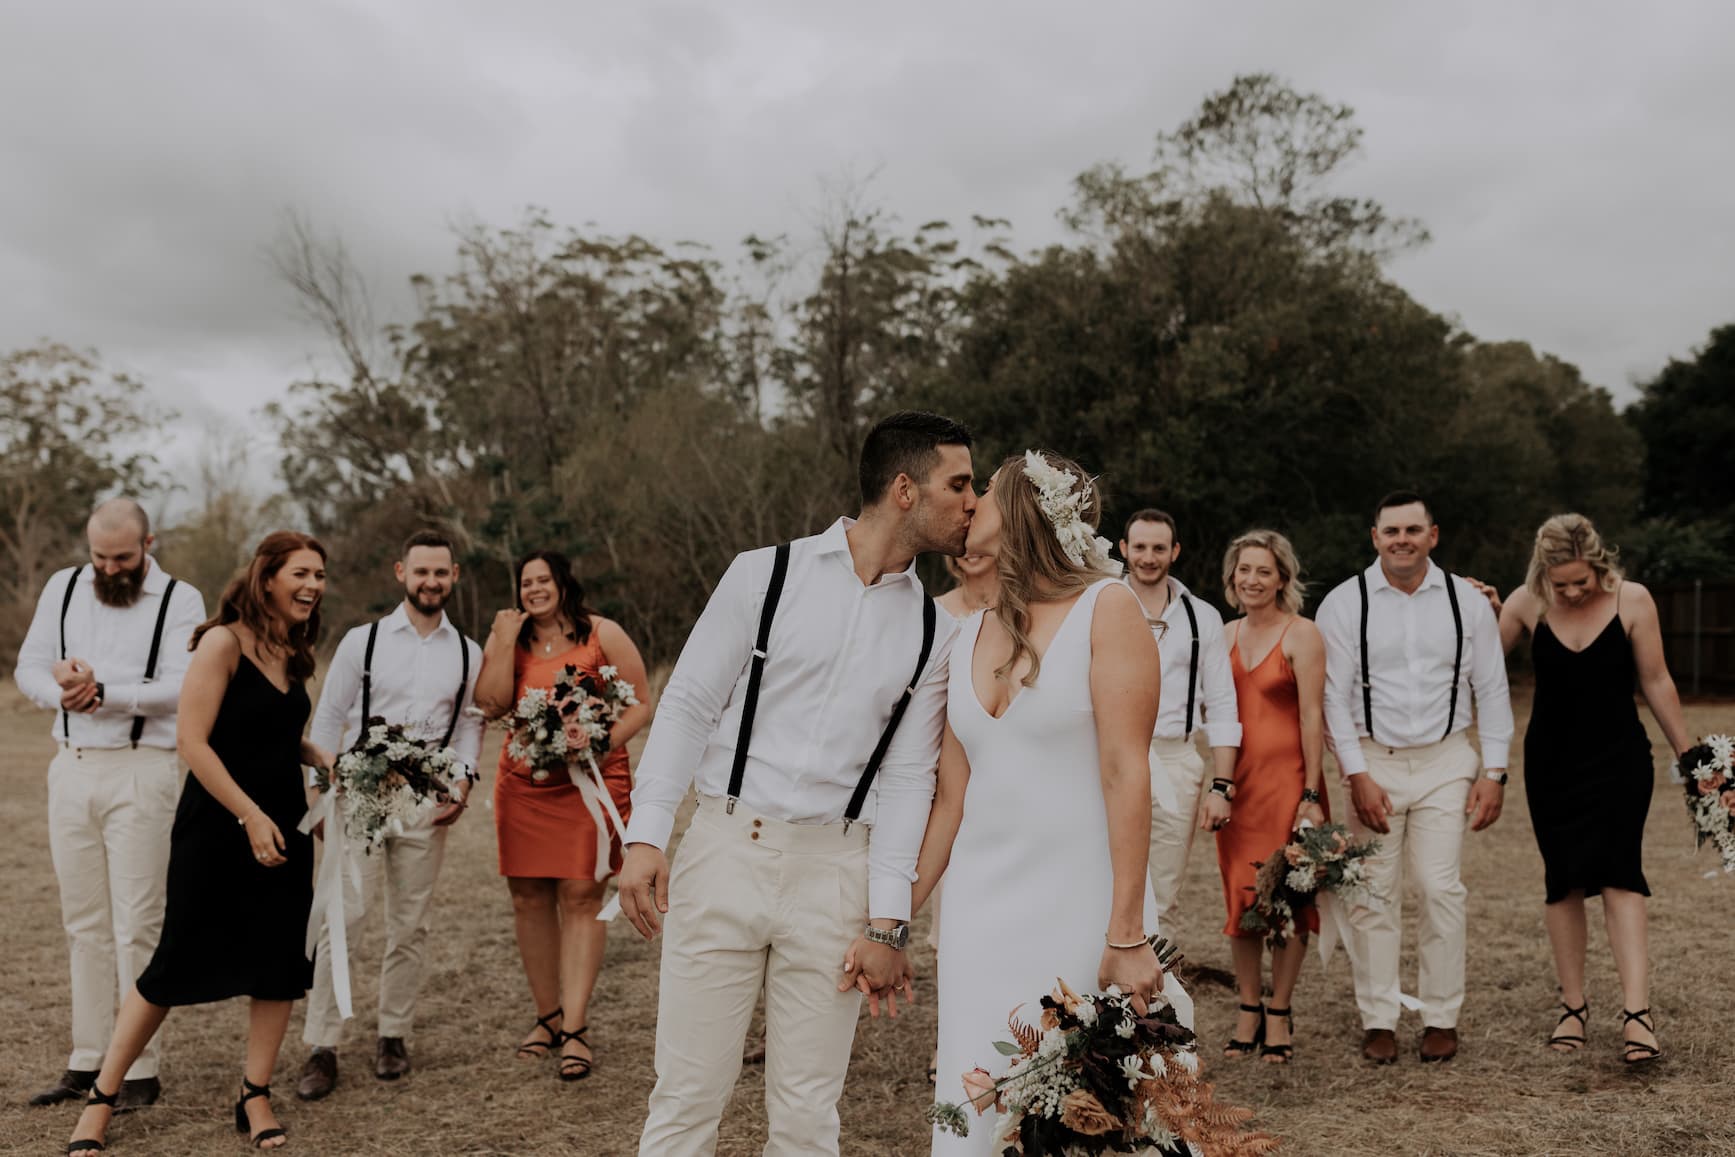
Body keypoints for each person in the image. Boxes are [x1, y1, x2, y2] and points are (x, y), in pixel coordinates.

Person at [619, 410, 974, 1157]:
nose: (971, 503)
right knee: (685, 1098)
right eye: (960, 484)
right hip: (723, 849)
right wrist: (647, 833)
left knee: (809, 1114)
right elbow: (686, 704)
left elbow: (909, 779)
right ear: (905, 489)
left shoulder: (933, 633)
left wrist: (887, 920)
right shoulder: (763, 573)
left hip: (835, 874)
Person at [913, 450, 1190, 1156]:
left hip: (1083, 904)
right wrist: (891, 915)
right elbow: (949, 797)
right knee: (980, 1093)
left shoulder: (1108, 607)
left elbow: (1128, 771)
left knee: (1090, 1107)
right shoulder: (964, 632)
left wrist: (1125, 933)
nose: (969, 502)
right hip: (979, 915)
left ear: (1028, 516)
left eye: (986, 494)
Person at [66, 531, 332, 1153]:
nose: (314, 585)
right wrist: (249, 815)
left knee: (277, 965)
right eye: (301, 573)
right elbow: (194, 739)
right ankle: (102, 1099)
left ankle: (255, 1094)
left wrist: (313, 752)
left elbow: (265, 731)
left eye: (320, 574)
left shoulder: (289, 648)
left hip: (285, 827)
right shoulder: (222, 642)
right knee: (172, 965)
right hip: (219, 827)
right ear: (267, 577)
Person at [14, 499, 205, 1112]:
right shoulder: (63, 586)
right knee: (82, 923)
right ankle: (86, 1058)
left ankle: (140, 1069)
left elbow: (185, 687)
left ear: (149, 543)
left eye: (122, 557)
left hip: (141, 772)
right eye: (100, 557)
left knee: (137, 925)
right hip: (69, 769)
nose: (110, 568)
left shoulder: (182, 600)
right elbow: (28, 667)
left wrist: (109, 694)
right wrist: (63, 688)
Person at [1316, 492, 1513, 1065]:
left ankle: (1441, 1016)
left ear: (1433, 535)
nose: (1402, 539)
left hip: (1447, 760)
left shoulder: (1467, 603)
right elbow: (1334, 700)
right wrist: (1356, 774)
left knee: (1438, 887)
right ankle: (1379, 1017)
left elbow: (1493, 691)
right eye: (1391, 530)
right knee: (1374, 893)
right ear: (1374, 536)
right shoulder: (1344, 603)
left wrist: (1494, 772)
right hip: (1372, 759)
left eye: (1413, 530)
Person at [294, 530, 484, 1099]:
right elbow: (328, 720)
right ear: (401, 572)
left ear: (454, 576)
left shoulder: (468, 652)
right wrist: (318, 792)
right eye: (421, 571)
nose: (431, 582)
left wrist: (464, 781)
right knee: (343, 918)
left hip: (426, 804)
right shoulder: (364, 642)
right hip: (360, 796)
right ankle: (321, 1044)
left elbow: (472, 723)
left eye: (441, 573)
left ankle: (393, 1034)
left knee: (411, 923)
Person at [1494, 514, 1689, 1064]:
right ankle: (1573, 1008)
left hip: (1620, 761)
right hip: (1551, 765)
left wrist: (1688, 755)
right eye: (1564, 584)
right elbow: (1474, 666)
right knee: (1563, 883)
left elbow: (1656, 680)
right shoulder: (1524, 604)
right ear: (1542, 575)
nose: (1575, 592)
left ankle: (1637, 1015)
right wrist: (1474, 609)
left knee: (1622, 875)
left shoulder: (1633, 600)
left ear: (1600, 565)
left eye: (1584, 580)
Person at [473, 550, 651, 1082]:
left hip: (588, 786)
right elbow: (491, 704)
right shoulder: (510, 639)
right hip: (524, 786)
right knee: (528, 898)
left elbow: (641, 702)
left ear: (561, 583)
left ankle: (575, 1027)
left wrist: (597, 745)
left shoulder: (602, 634)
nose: (534, 589)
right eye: (525, 583)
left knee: (580, 897)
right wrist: (503, 639)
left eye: (542, 579)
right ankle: (546, 1018)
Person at [1214, 530, 1327, 1064]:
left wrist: (1310, 793)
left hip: (1288, 786)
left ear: (1282, 577)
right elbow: (1219, 714)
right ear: (1232, 577)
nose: (1252, 580)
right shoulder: (1224, 633)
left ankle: (1280, 1010)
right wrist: (1217, 782)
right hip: (1239, 786)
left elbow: (1311, 717)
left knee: (1287, 901)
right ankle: (1248, 1005)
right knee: (1242, 897)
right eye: (1244, 570)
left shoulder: (1302, 635)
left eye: (1263, 571)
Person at [1119, 509, 1241, 919]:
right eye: (1139, 547)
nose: (1148, 557)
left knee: (1164, 891)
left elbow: (1223, 704)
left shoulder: (1201, 616)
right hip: (1112, 756)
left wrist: (1222, 786)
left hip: (1176, 759)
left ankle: (1155, 983)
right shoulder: (1097, 604)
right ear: (1123, 549)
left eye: (1158, 548)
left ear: (1175, 551)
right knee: (1104, 882)